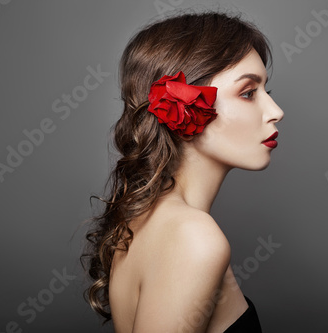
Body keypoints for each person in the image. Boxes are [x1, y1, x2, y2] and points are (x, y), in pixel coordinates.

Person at [81, 10, 284, 333]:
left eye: (266, 92)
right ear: (188, 105)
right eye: (248, 93)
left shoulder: (144, 219)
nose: (276, 112)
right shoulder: (195, 237)